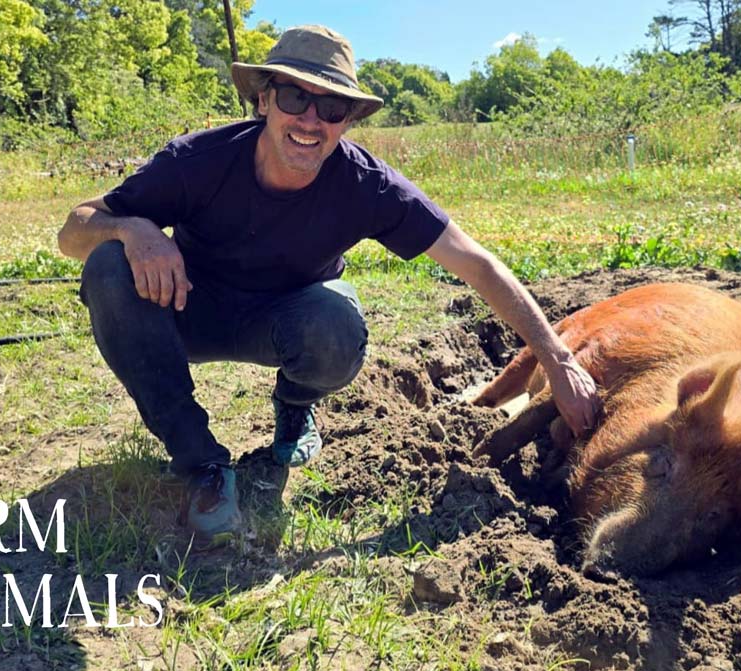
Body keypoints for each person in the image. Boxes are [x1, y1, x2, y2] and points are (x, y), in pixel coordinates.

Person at [57, 25, 599, 542]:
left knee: (338, 323)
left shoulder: (367, 186)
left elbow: (476, 263)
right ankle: (200, 463)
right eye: (295, 97)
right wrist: (133, 230)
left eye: (332, 107)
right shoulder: (197, 161)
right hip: (187, 309)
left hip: (287, 322)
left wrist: (557, 360)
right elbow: (74, 229)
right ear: (264, 100)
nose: (311, 120)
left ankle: (295, 405)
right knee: (108, 266)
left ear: (347, 121)